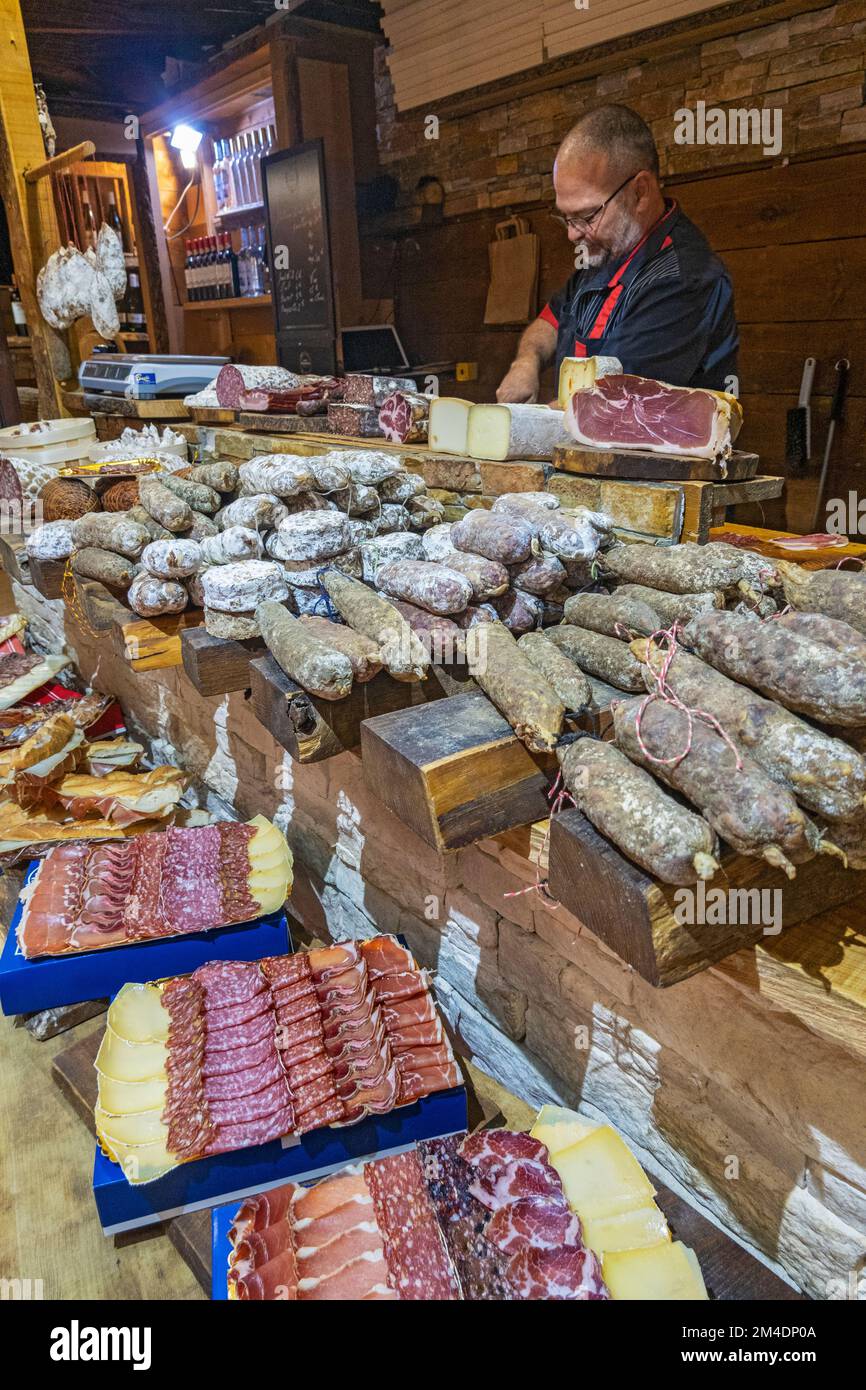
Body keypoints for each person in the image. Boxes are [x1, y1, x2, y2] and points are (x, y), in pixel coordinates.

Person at [496, 104, 738, 402]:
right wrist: (525, 362)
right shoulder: (607, 252)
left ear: (640, 192)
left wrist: (521, 424)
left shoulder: (682, 277)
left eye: (587, 215)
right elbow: (553, 319)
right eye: (566, 217)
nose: (572, 233)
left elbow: (610, 404)